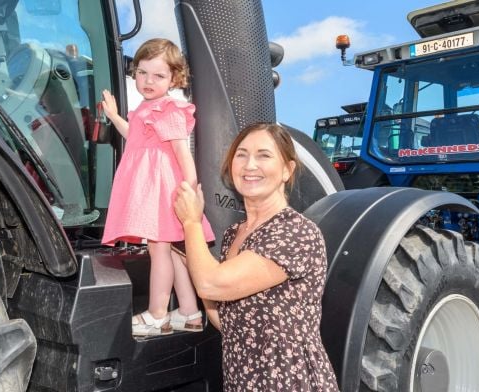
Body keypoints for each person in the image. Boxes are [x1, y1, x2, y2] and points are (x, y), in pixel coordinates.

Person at [174, 123, 340, 391]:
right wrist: (192, 263)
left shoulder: (295, 232)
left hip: (288, 382)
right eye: (241, 154)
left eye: (264, 155)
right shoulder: (233, 235)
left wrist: (191, 223)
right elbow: (227, 323)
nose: (250, 165)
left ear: (287, 170)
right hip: (243, 381)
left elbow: (211, 283)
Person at [101, 38, 215, 336]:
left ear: (174, 79)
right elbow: (137, 138)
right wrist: (114, 117)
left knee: (159, 250)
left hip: (164, 188)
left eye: (159, 75)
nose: (148, 81)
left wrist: (189, 190)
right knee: (174, 251)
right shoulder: (146, 109)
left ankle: (157, 313)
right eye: (142, 73)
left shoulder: (168, 108)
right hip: (154, 187)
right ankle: (189, 313)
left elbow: (182, 152)